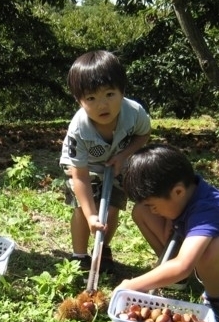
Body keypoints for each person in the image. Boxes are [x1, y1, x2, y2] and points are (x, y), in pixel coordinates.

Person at [114, 144, 219, 322]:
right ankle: (173, 276)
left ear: (178, 191)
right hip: (191, 251)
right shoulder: (185, 193)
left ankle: (215, 300)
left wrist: (131, 285)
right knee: (141, 211)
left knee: (211, 247)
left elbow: (183, 266)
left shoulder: (207, 210)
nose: (153, 209)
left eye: (154, 204)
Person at [60, 50, 151, 273]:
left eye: (109, 94)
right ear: (79, 100)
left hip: (118, 161)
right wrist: (91, 215)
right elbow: (79, 175)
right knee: (84, 208)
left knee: (111, 208)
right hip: (83, 166)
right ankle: (79, 255)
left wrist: (124, 155)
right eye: (91, 98)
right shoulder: (79, 128)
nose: (102, 105)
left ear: (122, 91)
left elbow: (143, 135)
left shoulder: (134, 112)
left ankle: (103, 249)